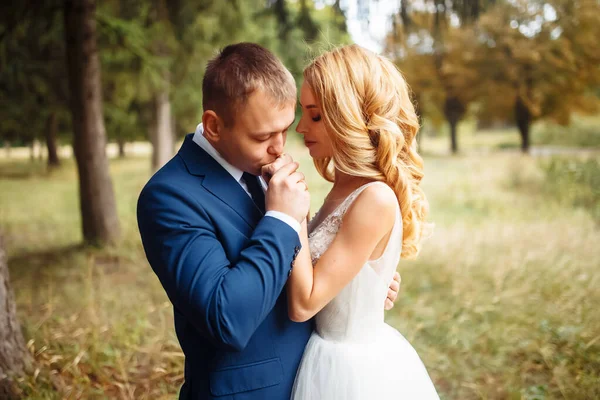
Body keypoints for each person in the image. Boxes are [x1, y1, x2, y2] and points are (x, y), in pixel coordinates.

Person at [136, 42, 400, 400]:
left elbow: (300, 263)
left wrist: (357, 282)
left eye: (285, 130)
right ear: (214, 126)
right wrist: (280, 218)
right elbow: (226, 319)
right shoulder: (169, 196)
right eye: (263, 136)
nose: (280, 148)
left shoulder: (263, 166)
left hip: (322, 378)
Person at [285, 44, 439, 399]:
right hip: (319, 351)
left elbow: (304, 302)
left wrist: (291, 217)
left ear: (348, 115)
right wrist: (367, 286)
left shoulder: (375, 198)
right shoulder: (342, 186)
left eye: (315, 115)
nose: (299, 127)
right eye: (302, 113)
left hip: (347, 369)